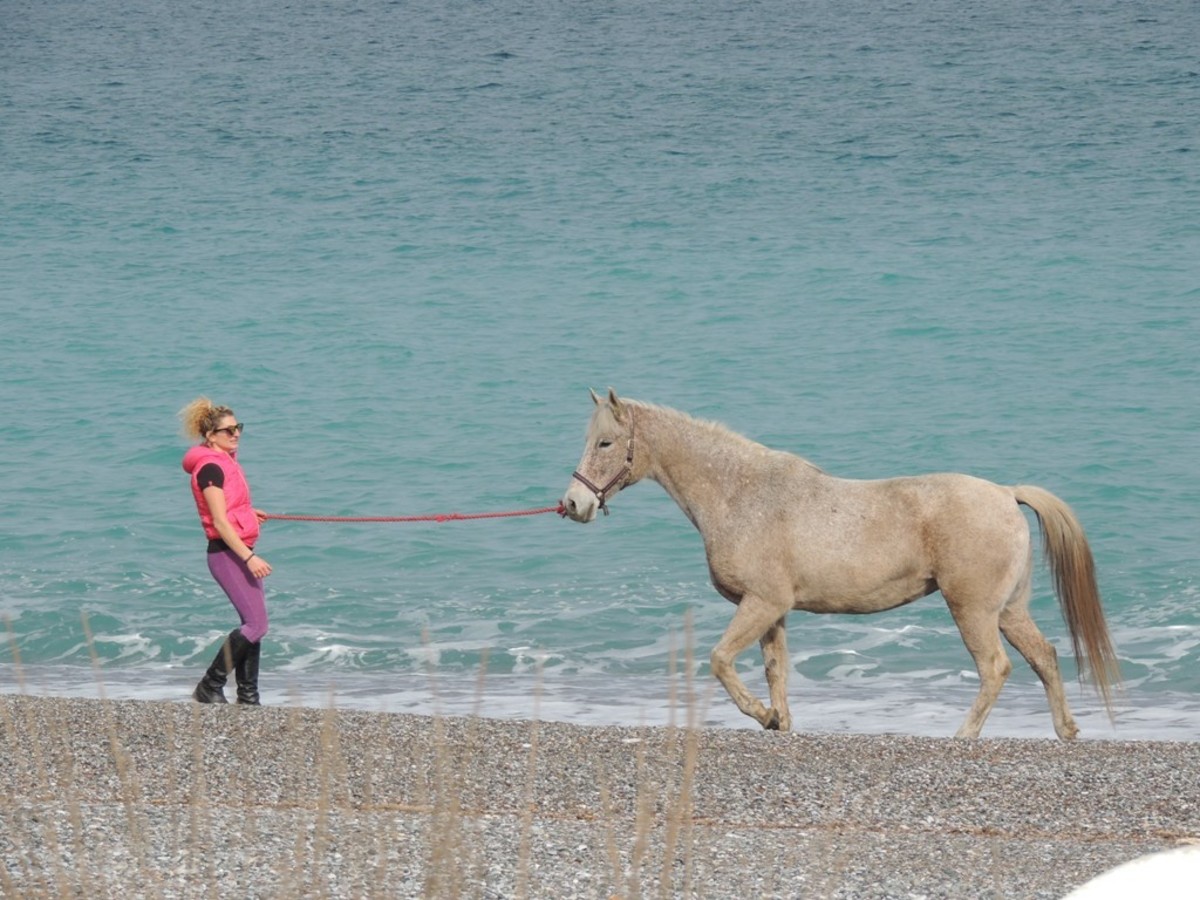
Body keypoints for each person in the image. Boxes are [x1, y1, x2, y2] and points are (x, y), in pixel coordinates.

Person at [178, 397, 273, 705]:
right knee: (256, 625)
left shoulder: (226, 463)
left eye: (238, 428)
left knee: (254, 625)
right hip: (227, 554)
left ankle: (248, 696)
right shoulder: (210, 469)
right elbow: (218, 521)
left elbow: (230, 508)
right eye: (228, 430)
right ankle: (210, 685)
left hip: (238, 549)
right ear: (210, 436)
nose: (236, 434)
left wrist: (247, 514)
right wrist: (248, 557)